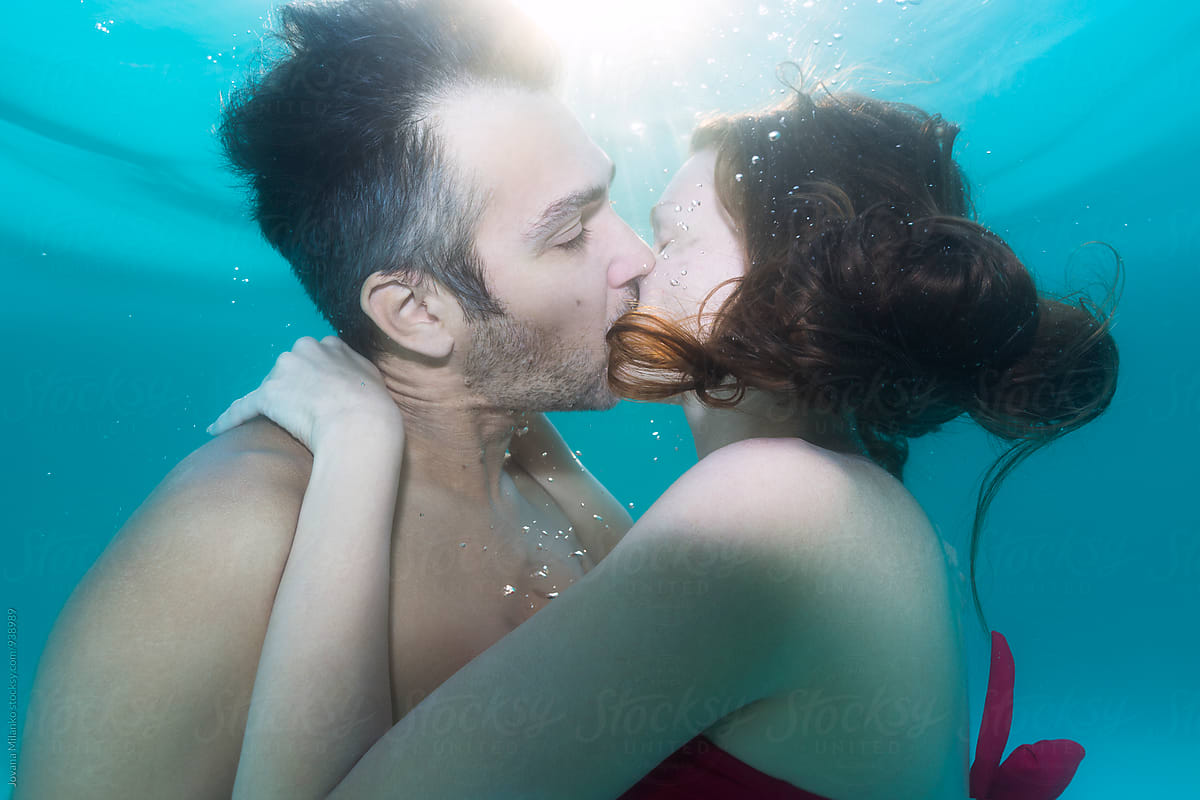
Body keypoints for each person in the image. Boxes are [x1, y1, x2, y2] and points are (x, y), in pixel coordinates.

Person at [206, 89, 1117, 798]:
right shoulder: (846, 491)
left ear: (790, 280)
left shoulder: (769, 511)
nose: (636, 258)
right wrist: (505, 404)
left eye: (674, 235)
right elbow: (634, 606)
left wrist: (359, 442)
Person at [14, 1, 654, 797]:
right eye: (570, 234)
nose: (642, 256)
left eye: (609, 204)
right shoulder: (232, 538)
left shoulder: (536, 464)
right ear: (417, 314)